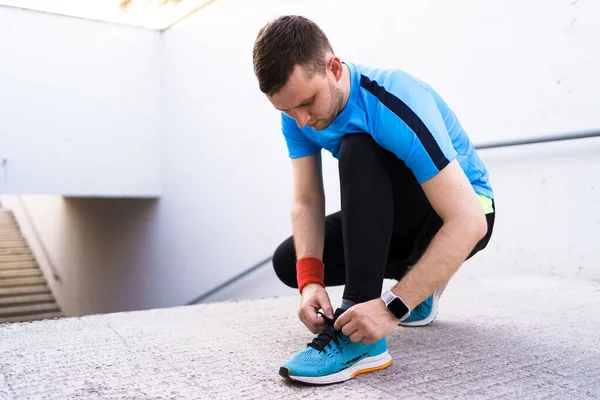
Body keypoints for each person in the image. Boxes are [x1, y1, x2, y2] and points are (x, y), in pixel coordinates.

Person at [252, 15, 495, 385]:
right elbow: (307, 202)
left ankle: (363, 342)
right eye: (286, 111)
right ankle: (419, 286)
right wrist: (311, 282)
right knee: (291, 262)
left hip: (460, 214)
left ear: (333, 67)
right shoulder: (298, 115)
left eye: (306, 102)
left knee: (358, 145)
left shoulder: (390, 97)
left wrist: (390, 307)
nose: (300, 120)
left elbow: (470, 221)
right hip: (399, 221)